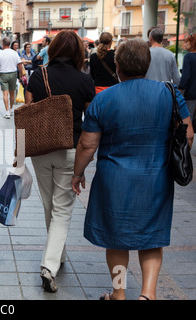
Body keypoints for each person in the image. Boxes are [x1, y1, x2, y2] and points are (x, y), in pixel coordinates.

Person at [72, 38, 194, 300]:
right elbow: (188, 134)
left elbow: (86, 145)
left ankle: (119, 293)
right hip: (156, 178)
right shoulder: (170, 94)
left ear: (117, 66)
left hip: (114, 180)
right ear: (147, 64)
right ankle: (148, 295)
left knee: (116, 239)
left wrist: (78, 173)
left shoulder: (103, 99)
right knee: (151, 237)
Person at [25, 30, 95, 293]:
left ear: (53, 50)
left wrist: (20, 153)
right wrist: (86, 160)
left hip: (40, 150)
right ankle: (49, 265)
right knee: (62, 209)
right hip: (70, 150)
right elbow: (92, 123)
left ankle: (58, 255)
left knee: (49, 204)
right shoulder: (84, 80)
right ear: (78, 52)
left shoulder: (37, 75)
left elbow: (27, 116)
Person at [0, 37, 24, 119]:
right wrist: (21, 75)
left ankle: (7, 111)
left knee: (5, 93)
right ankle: (11, 109)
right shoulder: (14, 53)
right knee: (12, 93)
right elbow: (20, 65)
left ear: (3, 44)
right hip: (13, 74)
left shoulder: (0, 53)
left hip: (4, 73)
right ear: (10, 44)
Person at [178, 33, 196, 125]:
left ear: (192, 43)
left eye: (187, 42)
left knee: (188, 120)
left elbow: (186, 76)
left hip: (191, 94)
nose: (185, 44)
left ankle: (189, 139)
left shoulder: (188, 57)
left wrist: (180, 88)